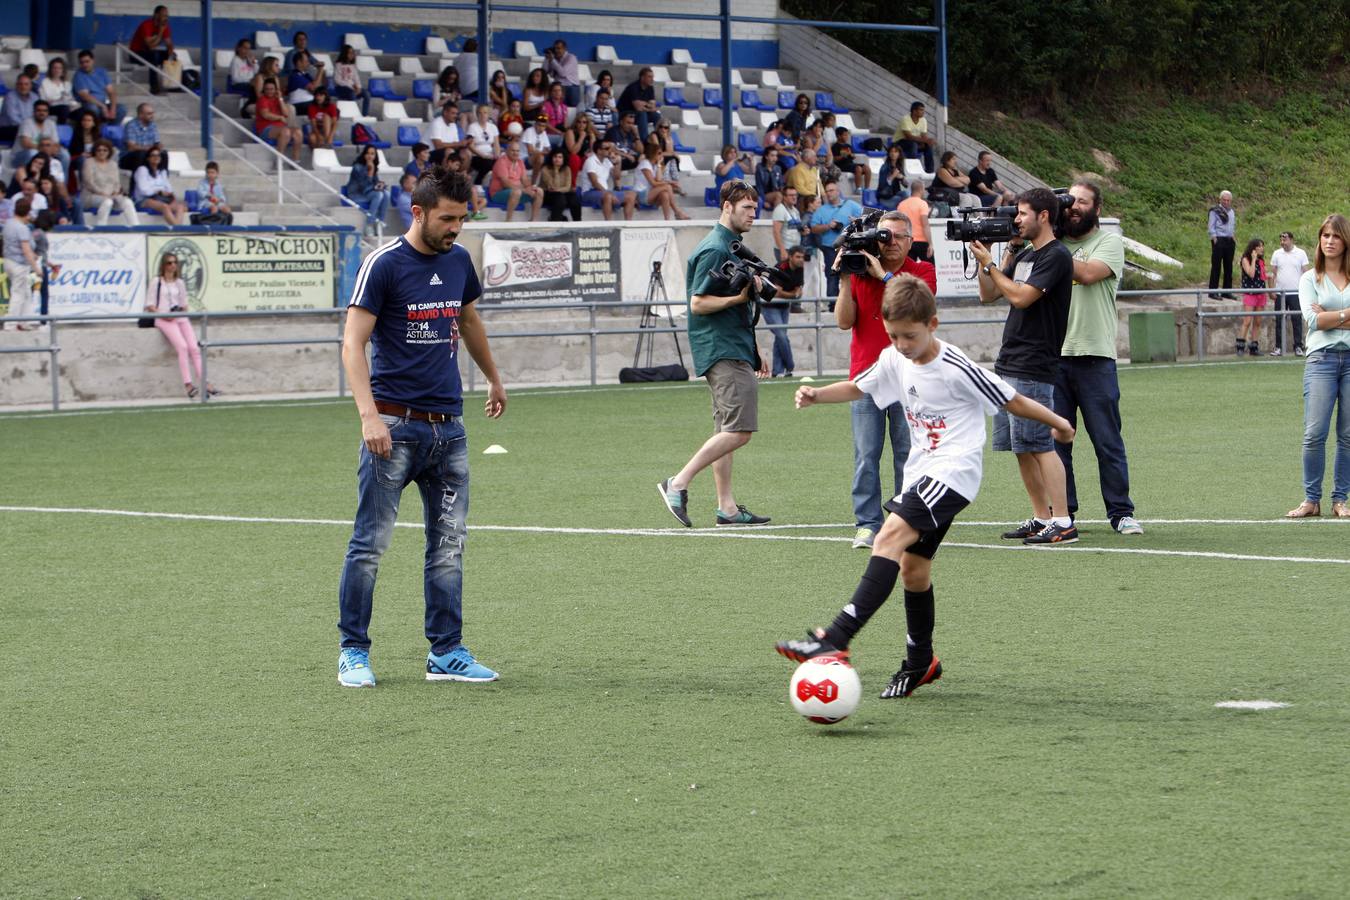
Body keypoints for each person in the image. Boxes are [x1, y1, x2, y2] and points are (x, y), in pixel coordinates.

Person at [775, 275, 1075, 699]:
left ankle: (836, 637)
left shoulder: (956, 366)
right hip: (924, 472)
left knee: (889, 536)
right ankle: (920, 662)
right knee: (914, 571)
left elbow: (1012, 399)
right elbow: (861, 386)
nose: (901, 344)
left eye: (909, 336)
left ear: (933, 324)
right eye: (893, 335)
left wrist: (1060, 423)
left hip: (953, 474)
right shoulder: (894, 358)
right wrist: (817, 394)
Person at [337, 164, 507, 688]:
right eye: (448, 218)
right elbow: (352, 343)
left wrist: (494, 380)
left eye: (463, 218)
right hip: (393, 427)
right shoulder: (383, 264)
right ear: (419, 213)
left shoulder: (458, 261)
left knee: (449, 546)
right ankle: (353, 652)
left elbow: (470, 322)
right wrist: (369, 415)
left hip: (449, 431)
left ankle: (446, 653)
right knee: (370, 545)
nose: (456, 228)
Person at [658, 180, 771, 528]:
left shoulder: (730, 246)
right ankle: (676, 483)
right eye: (746, 208)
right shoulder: (716, 249)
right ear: (726, 206)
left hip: (732, 345)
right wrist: (739, 300)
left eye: (755, 208)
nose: (753, 214)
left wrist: (755, 348)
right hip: (722, 348)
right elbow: (698, 303)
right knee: (740, 430)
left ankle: (727, 508)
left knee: (726, 431)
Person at [971, 187, 1077, 544]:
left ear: (1043, 216)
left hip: (1034, 362)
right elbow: (989, 294)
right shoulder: (1027, 253)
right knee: (1021, 446)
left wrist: (989, 264)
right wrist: (994, 257)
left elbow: (1021, 297)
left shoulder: (1056, 256)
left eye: (1022, 213)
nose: (1016, 220)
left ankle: (1063, 521)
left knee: (1039, 443)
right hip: (1011, 359)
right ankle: (1040, 515)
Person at [832, 210, 936, 548]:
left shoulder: (922, 272)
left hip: (909, 377)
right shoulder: (862, 273)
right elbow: (844, 322)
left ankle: (905, 520)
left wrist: (885, 277)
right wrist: (846, 278)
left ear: (909, 241)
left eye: (895, 237)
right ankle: (867, 523)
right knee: (866, 454)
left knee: (909, 453)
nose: (887, 243)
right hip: (866, 377)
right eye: (883, 236)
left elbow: (916, 312)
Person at [1054, 182, 1142, 535]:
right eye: (1070, 202)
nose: (1074, 207)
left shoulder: (1108, 243)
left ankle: (1120, 512)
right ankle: (1063, 513)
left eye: (1083, 202)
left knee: (1107, 440)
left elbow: (1088, 274)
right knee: (1057, 442)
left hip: (1095, 356)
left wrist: (1047, 246)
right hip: (1054, 357)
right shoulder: (1052, 244)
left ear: (1097, 209)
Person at [1286, 214, 1350, 519]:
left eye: (1336, 236)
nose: (1330, 241)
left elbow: (1324, 319)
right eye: (1325, 236)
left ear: (1345, 240)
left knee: (1348, 435)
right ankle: (1312, 500)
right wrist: (1346, 315)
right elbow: (1313, 321)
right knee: (1314, 433)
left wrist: (1331, 315)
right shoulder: (1309, 278)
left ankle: (1340, 500)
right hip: (1321, 361)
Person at [145, 252, 217, 397]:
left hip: (180, 317)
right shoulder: (157, 281)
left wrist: (180, 312)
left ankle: (206, 383)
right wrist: (164, 314)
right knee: (182, 347)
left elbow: (184, 304)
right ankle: (188, 385)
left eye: (175, 262)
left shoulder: (180, 282)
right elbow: (149, 304)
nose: (173, 265)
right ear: (163, 265)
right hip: (163, 318)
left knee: (194, 348)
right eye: (169, 263)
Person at [810, 178, 863, 298]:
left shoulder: (851, 205)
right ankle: (832, 304)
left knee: (851, 275)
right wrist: (828, 226)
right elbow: (814, 228)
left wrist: (857, 221)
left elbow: (865, 217)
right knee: (831, 275)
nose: (829, 193)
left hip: (848, 246)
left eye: (832, 190)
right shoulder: (821, 210)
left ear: (838, 191)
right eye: (827, 191)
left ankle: (851, 301)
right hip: (830, 247)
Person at [764, 246, 805, 377]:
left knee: (780, 337)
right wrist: (793, 295)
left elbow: (799, 288)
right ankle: (790, 365)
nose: (801, 260)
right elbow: (776, 292)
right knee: (781, 336)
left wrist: (794, 293)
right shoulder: (781, 267)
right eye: (798, 257)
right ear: (790, 257)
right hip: (770, 305)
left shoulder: (800, 268)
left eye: (802, 257)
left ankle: (777, 371)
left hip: (784, 306)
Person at [1269, 230, 1311, 357]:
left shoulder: (1301, 253)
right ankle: (1279, 347)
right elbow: (1273, 274)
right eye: (1281, 240)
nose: (1283, 242)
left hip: (1296, 292)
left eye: (1285, 239)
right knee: (1279, 320)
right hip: (1281, 292)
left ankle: (1298, 346)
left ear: (1291, 240)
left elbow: (1305, 273)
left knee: (1296, 319)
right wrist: (1272, 290)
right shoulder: (1277, 254)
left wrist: (1306, 290)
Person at [80, 138, 140, 225]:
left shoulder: (113, 164)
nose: (102, 152)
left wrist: (115, 192)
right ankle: (101, 228)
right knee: (108, 202)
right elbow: (89, 183)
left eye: (105, 150)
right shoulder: (89, 162)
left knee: (128, 202)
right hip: (92, 195)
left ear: (109, 152)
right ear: (95, 151)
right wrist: (103, 193)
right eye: (99, 150)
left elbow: (116, 183)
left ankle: (136, 227)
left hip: (111, 195)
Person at [1, 197, 40, 330]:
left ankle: (24, 321)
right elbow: (26, 250)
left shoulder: (9, 223)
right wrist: (36, 268)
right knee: (18, 293)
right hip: (19, 264)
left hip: (9, 261)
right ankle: (10, 323)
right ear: (27, 212)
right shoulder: (22, 228)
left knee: (26, 292)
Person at [579, 140, 636, 221]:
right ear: (599, 151)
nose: (610, 150)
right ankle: (609, 224)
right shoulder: (590, 161)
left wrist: (617, 163)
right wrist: (608, 193)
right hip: (589, 192)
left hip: (603, 192)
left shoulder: (606, 161)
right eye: (607, 148)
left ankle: (628, 224)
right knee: (608, 196)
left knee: (631, 195)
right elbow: (595, 183)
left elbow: (617, 177)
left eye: (610, 148)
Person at [488, 139, 542, 222]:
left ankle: (533, 220)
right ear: (507, 151)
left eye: (517, 151)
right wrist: (524, 190)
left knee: (539, 191)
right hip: (498, 193)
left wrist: (530, 188)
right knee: (517, 192)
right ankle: (508, 220)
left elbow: (524, 179)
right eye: (513, 150)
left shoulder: (520, 162)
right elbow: (505, 183)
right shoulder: (501, 162)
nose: (515, 153)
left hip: (516, 192)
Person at [635, 141, 689, 220]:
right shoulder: (645, 164)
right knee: (667, 187)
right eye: (659, 153)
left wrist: (659, 164)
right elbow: (654, 183)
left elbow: (659, 179)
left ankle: (667, 220)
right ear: (653, 154)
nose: (662, 155)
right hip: (640, 195)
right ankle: (677, 212)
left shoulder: (654, 165)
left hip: (650, 193)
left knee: (665, 194)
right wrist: (669, 183)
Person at [133, 148, 187, 225]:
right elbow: (144, 190)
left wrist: (169, 194)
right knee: (165, 207)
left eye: (158, 155)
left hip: (162, 199)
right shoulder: (142, 170)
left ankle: (178, 228)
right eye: (153, 155)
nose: (156, 157)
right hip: (145, 200)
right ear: (148, 158)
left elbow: (169, 189)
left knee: (180, 207)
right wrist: (159, 191)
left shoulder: (162, 172)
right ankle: (177, 230)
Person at [253, 78, 302, 164]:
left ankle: (296, 160)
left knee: (298, 132)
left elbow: (286, 113)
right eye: (267, 89)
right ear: (263, 90)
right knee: (286, 131)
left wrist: (280, 99)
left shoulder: (278, 99)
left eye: (272, 89)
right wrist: (279, 118)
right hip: (265, 129)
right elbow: (266, 115)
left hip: (280, 128)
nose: (269, 91)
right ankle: (279, 161)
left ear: (276, 90)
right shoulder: (262, 99)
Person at [129, 5, 174, 95]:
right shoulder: (146, 25)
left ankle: (173, 86)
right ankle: (154, 88)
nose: (166, 18)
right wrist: (161, 32)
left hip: (150, 53)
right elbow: (150, 46)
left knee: (173, 57)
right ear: (156, 15)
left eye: (167, 16)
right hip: (136, 54)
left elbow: (169, 43)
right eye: (163, 15)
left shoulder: (164, 26)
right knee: (154, 57)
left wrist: (170, 53)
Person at [348, 144, 392, 233]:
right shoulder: (357, 167)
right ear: (364, 155)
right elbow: (363, 185)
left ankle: (379, 222)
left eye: (372, 154)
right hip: (357, 194)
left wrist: (380, 185)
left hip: (367, 192)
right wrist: (370, 171)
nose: (369, 156)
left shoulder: (373, 166)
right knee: (379, 194)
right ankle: (369, 225)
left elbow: (374, 182)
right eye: (367, 153)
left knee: (387, 194)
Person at [1238, 237, 1268, 356]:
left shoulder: (1261, 260)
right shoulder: (1246, 259)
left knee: (1258, 321)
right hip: (1250, 293)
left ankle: (1254, 346)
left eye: (1262, 246)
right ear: (1253, 248)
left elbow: (1262, 276)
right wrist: (1254, 259)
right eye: (1259, 246)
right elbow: (1251, 274)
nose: (1262, 248)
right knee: (1247, 320)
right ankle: (1240, 345)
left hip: (1260, 292)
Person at [73, 50, 123, 122]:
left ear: (93, 60)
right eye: (82, 62)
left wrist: (113, 108)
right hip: (88, 105)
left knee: (121, 109)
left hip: (102, 103)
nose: (84, 65)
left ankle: (111, 129)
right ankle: (96, 130)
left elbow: (111, 92)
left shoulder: (102, 72)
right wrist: (103, 106)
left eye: (87, 61)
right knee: (93, 108)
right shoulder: (79, 75)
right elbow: (85, 96)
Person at [616, 67, 661, 141]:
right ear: (642, 78)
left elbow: (652, 106)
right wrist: (647, 105)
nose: (652, 79)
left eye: (652, 77)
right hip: (625, 113)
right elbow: (637, 107)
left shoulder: (650, 88)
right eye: (649, 77)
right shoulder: (633, 87)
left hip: (639, 113)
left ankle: (659, 139)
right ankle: (644, 140)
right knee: (642, 114)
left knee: (656, 115)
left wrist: (644, 104)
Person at [119, 102, 164, 172]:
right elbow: (131, 148)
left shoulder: (153, 125)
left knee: (164, 154)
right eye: (149, 114)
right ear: (140, 115)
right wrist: (149, 148)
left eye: (152, 113)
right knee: (141, 154)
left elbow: (156, 142)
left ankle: (161, 179)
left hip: (147, 155)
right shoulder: (131, 126)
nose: (152, 116)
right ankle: (136, 180)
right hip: (128, 158)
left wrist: (159, 146)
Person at [1208, 190, 1237, 299]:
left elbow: (1231, 225)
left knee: (1228, 267)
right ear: (1220, 200)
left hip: (1229, 240)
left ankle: (1227, 291)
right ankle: (1213, 292)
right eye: (1224, 200)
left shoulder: (1232, 212)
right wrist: (1214, 238)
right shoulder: (1215, 211)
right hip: (1219, 240)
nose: (1226, 202)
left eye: (1228, 200)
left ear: (1231, 201)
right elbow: (1211, 226)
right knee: (1216, 266)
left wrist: (1233, 236)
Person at [539, 148, 581, 222]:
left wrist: (558, 190)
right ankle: (555, 221)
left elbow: (567, 187)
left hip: (561, 193)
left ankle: (577, 223)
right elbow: (553, 186)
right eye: (555, 157)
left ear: (563, 159)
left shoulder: (567, 169)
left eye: (560, 157)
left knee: (574, 199)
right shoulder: (545, 169)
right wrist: (555, 170)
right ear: (551, 158)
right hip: (547, 194)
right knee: (560, 198)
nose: (557, 159)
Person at [893, 101, 935, 173]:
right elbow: (908, 136)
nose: (923, 112)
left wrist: (926, 142)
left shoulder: (923, 120)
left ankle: (929, 171)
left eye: (923, 110)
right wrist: (925, 140)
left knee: (928, 146)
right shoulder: (905, 119)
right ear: (914, 111)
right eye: (921, 110)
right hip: (899, 143)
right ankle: (912, 169)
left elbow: (924, 136)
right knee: (913, 145)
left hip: (914, 142)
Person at [897, 180, 932, 262]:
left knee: (909, 269)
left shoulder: (901, 204)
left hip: (907, 241)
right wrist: (930, 243)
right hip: (921, 240)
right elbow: (925, 225)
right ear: (921, 189)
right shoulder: (922, 204)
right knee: (930, 268)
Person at [466, 104, 501, 185]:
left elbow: (496, 144)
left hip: (490, 155)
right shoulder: (472, 127)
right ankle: (477, 183)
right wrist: (483, 155)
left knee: (500, 161)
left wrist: (497, 154)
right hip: (477, 156)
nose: (482, 115)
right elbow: (470, 146)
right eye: (480, 113)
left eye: (485, 113)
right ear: (477, 114)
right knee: (488, 163)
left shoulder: (493, 127)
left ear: (488, 114)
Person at [772, 186, 808, 264]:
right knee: (785, 274)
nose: (794, 197)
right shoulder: (780, 210)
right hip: (785, 249)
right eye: (791, 195)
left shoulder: (795, 211)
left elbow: (795, 229)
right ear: (784, 197)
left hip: (795, 249)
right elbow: (776, 232)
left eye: (795, 195)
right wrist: (782, 250)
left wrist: (803, 232)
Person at [428, 100, 470, 166]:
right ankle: (445, 175)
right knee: (450, 152)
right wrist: (458, 144)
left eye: (456, 114)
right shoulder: (437, 123)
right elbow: (438, 146)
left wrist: (464, 144)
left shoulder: (453, 125)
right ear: (445, 113)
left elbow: (456, 145)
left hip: (447, 150)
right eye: (453, 113)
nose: (455, 116)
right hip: (430, 153)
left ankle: (461, 175)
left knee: (466, 153)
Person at [286, 50, 324, 117]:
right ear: (299, 62)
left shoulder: (305, 74)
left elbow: (316, 86)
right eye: (306, 61)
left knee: (334, 110)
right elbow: (313, 88)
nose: (309, 63)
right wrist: (320, 70)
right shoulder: (295, 75)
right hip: (298, 105)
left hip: (307, 104)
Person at [0, 73, 36, 143]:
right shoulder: (10, 97)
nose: (23, 87)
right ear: (16, 85)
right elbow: (13, 119)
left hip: (27, 128)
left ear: (31, 86)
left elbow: (37, 114)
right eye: (20, 84)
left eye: (26, 84)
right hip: (8, 128)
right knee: (22, 132)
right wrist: (29, 127)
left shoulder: (35, 97)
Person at [544, 39, 580, 107]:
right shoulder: (554, 58)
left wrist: (553, 60)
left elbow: (563, 73)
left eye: (559, 48)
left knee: (572, 109)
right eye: (555, 49)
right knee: (557, 107)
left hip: (571, 87)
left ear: (565, 49)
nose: (556, 51)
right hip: (559, 86)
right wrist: (547, 59)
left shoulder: (571, 57)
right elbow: (544, 71)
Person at [332, 45, 367, 116]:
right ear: (345, 54)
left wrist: (359, 88)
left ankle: (364, 114)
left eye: (352, 53)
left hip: (353, 87)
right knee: (352, 94)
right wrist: (351, 86)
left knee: (367, 94)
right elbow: (337, 80)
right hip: (341, 88)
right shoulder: (338, 65)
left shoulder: (353, 66)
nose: (352, 55)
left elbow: (356, 78)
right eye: (349, 53)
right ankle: (354, 113)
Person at [832, 127, 869, 192]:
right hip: (842, 165)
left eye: (847, 135)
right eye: (845, 135)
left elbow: (853, 156)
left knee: (866, 168)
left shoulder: (848, 146)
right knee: (858, 168)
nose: (847, 137)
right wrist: (844, 155)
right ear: (838, 136)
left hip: (850, 164)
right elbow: (835, 159)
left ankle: (867, 189)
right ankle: (858, 189)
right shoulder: (835, 146)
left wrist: (851, 155)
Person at [38, 58, 75, 123]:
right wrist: (58, 100)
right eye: (54, 68)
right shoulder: (44, 82)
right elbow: (43, 100)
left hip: (66, 105)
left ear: (63, 70)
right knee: (64, 109)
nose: (57, 70)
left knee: (81, 111)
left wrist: (74, 104)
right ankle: (61, 129)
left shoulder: (67, 83)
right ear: (51, 69)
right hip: (51, 107)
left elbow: (70, 98)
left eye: (59, 68)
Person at [228, 39, 258, 114]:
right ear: (239, 48)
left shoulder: (248, 60)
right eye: (245, 48)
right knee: (254, 89)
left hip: (249, 83)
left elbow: (257, 72)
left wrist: (254, 62)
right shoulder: (235, 61)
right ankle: (246, 109)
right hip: (238, 85)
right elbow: (235, 78)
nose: (247, 51)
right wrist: (250, 81)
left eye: (249, 49)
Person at [305, 84, 338, 149]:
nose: (318, 98)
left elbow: (334, 123)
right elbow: (313, 124)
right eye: (316, 95)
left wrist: (330, 137)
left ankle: (327, 144)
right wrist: (318, 135)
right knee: (312, 138)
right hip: (317, 129)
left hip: (330, 130)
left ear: (325, 96)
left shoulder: (331, 106)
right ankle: (319, 154)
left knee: (326, 116)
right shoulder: (312, 107)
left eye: (321, 95)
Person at [876, 143, 907, 211]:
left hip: (894, 195)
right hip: (885, 198)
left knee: (906, 194)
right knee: (901, 200)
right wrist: (893, 176)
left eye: (895, 151)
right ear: (889, 153)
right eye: (891, 151)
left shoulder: (899, 167)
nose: (893, 153)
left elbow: (906, 185)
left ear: (899, 154)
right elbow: (882, 186)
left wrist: (902, 178)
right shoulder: (884, 167)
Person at [755, 146, 785, 210]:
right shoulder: (760, 168)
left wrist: (785, 192)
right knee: (778, 195)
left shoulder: (778, 168)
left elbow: (781, 184)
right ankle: (776, 217)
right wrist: (763, 202)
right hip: (764, 195)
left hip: (775, 193)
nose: (775, 158)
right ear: (766, 156)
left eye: (776, 156)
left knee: (789, 195)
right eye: (772, 155)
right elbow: (759, 187)